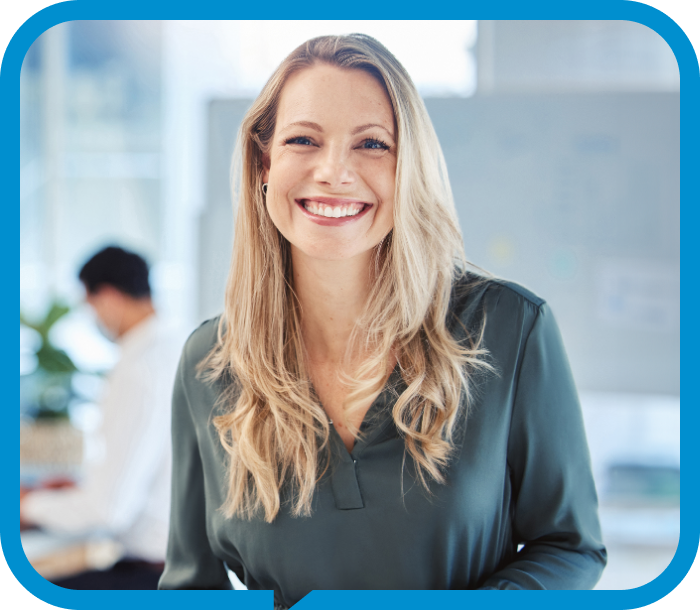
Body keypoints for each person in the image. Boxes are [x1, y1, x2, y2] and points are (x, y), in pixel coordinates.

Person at [159, 35, 607, 600]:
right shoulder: (209, 362)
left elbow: (571, 546)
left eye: (372, 144)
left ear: (409, 169)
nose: (334, 172)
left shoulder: (510, 328)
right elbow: (189, 585)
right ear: (263, 164)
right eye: (303, 139)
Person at [21, 246, 182, 589]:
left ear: (107, 297)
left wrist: (27, 506)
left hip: (152, 575)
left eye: (90, 307)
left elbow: (109, 510)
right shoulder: (178, 349)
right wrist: (75, 491)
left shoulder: (138, 369)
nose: (94, 319)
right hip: (184, 568)